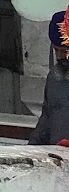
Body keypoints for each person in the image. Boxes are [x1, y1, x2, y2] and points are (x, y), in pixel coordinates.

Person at [28, 11, 69, 146]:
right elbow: (47, 119)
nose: (60, 57)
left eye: (65, 51)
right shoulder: (55, 78)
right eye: (57, 50)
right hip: (58, 159)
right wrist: (32, 149)